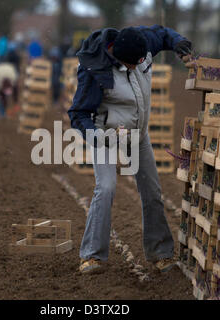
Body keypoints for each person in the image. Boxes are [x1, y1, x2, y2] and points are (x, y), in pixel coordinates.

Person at [68, 25, 192, 274]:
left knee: (152, 190)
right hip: (106, 134)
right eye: (132, 64)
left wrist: (178, 43)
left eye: (141, 61)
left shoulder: (141, 43)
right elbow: (78, 113)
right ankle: (92, 256)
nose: (138, 66)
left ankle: (162, 254)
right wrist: (95, 136)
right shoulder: (95, 69)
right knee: (106, 188)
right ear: (116, 56)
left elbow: (162, 34)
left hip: (138, 134)